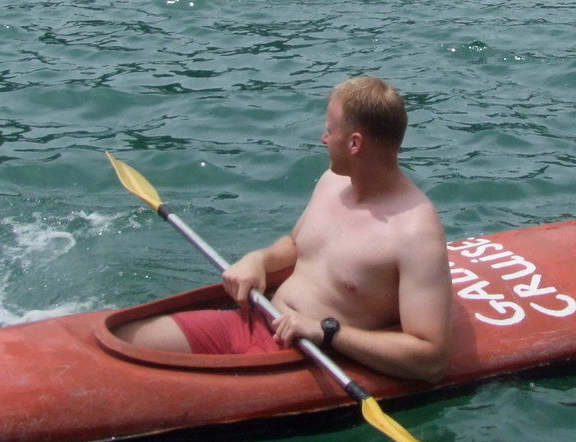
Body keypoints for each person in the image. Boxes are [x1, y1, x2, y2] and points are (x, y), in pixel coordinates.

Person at [123, 76, 455, 382]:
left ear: (355, 144)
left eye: (329, 130)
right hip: (256, 318)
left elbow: (431, 359)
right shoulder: (333, 182)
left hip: (306, 360)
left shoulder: (414, 232)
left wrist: (326, 331)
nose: (322, 138)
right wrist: (259, 260)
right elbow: (296, 244)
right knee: (131, 338)